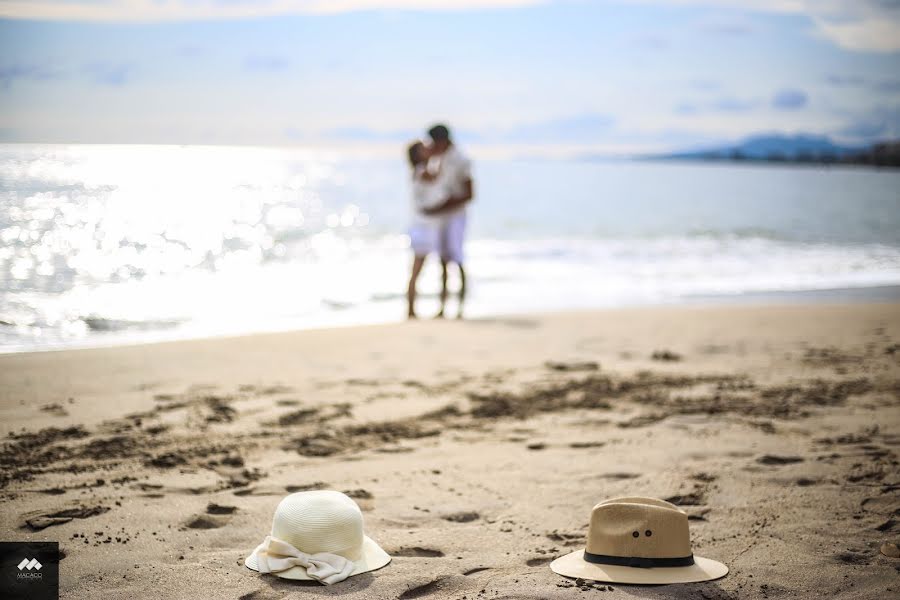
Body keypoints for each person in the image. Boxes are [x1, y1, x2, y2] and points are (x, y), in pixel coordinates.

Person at [421, 124, 474, 319]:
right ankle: (442, 307)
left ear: (442, 141)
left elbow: (469, 194)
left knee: (457, 258)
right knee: (443, 260)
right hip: (442, 216)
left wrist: (441, 207)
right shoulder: (438, 158)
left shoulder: (461, 159)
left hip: (456, 215)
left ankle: (460, 307)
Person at [405, 140, 453, 319]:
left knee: (433, 268)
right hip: (424, 228)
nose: (428, 150)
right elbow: (436, 177)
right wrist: (439, 154)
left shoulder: (421, 172)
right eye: (423, 149)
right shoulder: (421, 172)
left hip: (430, 227)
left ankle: (438, 308)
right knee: (420, 270)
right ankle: (412, 310)